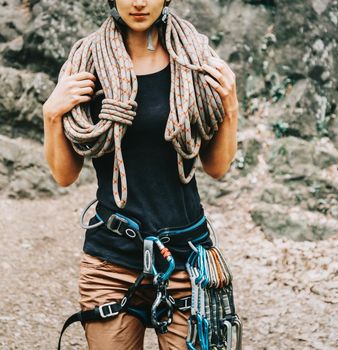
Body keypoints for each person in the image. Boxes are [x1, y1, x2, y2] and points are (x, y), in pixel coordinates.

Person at [43, 0, 239, 349]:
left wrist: (231, 106)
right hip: (112, 259)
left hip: (187, 257)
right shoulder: (88, 65)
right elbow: (64, 175)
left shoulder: (194, 61)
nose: (138, 2)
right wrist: (52, 116)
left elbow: (217, 167)